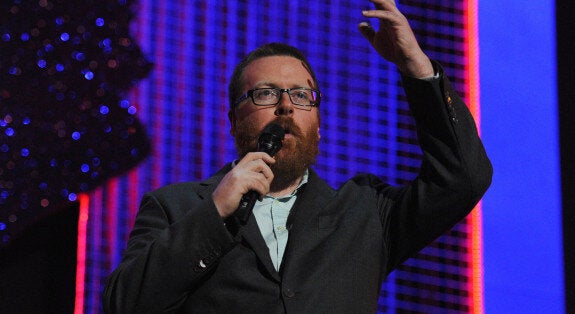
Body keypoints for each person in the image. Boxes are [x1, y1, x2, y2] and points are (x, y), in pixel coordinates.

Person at [102, 0, 492, 312]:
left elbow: (464, 178)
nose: (286, 107)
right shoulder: (177, 207)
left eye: (301, 95)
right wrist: (216, 212)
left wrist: (417, 68)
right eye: (266, 94)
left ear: (318, 124)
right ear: (235, 119)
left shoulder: (365, 214)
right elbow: (124, 304)